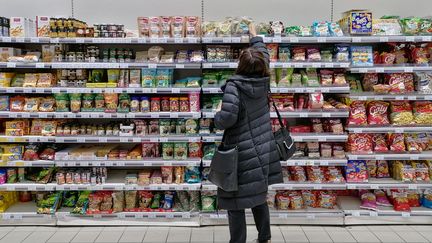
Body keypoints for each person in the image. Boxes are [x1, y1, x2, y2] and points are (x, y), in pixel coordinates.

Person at [213, 24, 283, 243]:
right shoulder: (264, 80)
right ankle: (265, 238)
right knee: (258, 195)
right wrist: (256, 36)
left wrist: (216, 114)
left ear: (240, 65)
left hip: (240, 153)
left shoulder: (234, 86)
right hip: (263, 148)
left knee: (235, 202)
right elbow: (263, 55)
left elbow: (226, 120)